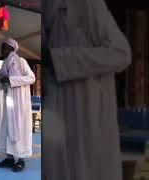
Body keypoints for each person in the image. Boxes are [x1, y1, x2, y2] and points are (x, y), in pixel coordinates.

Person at [42, 0, 132, 179]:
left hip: (87, 114)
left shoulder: (89, 4)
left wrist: (59, 60)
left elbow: (121, 53)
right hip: (57, 112)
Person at [0, 38, 35, 172]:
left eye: (4, 47)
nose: (1, 50)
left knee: (20, 128)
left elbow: (31, 78)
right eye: (1, 47)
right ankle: (9, 157)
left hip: (20, 102)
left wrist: (11, 79)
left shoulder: (20, 61)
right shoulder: (4, 64)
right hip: (9, 101)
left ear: (12, 48)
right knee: (7, 127)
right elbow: (2, 82)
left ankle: (21, 160)